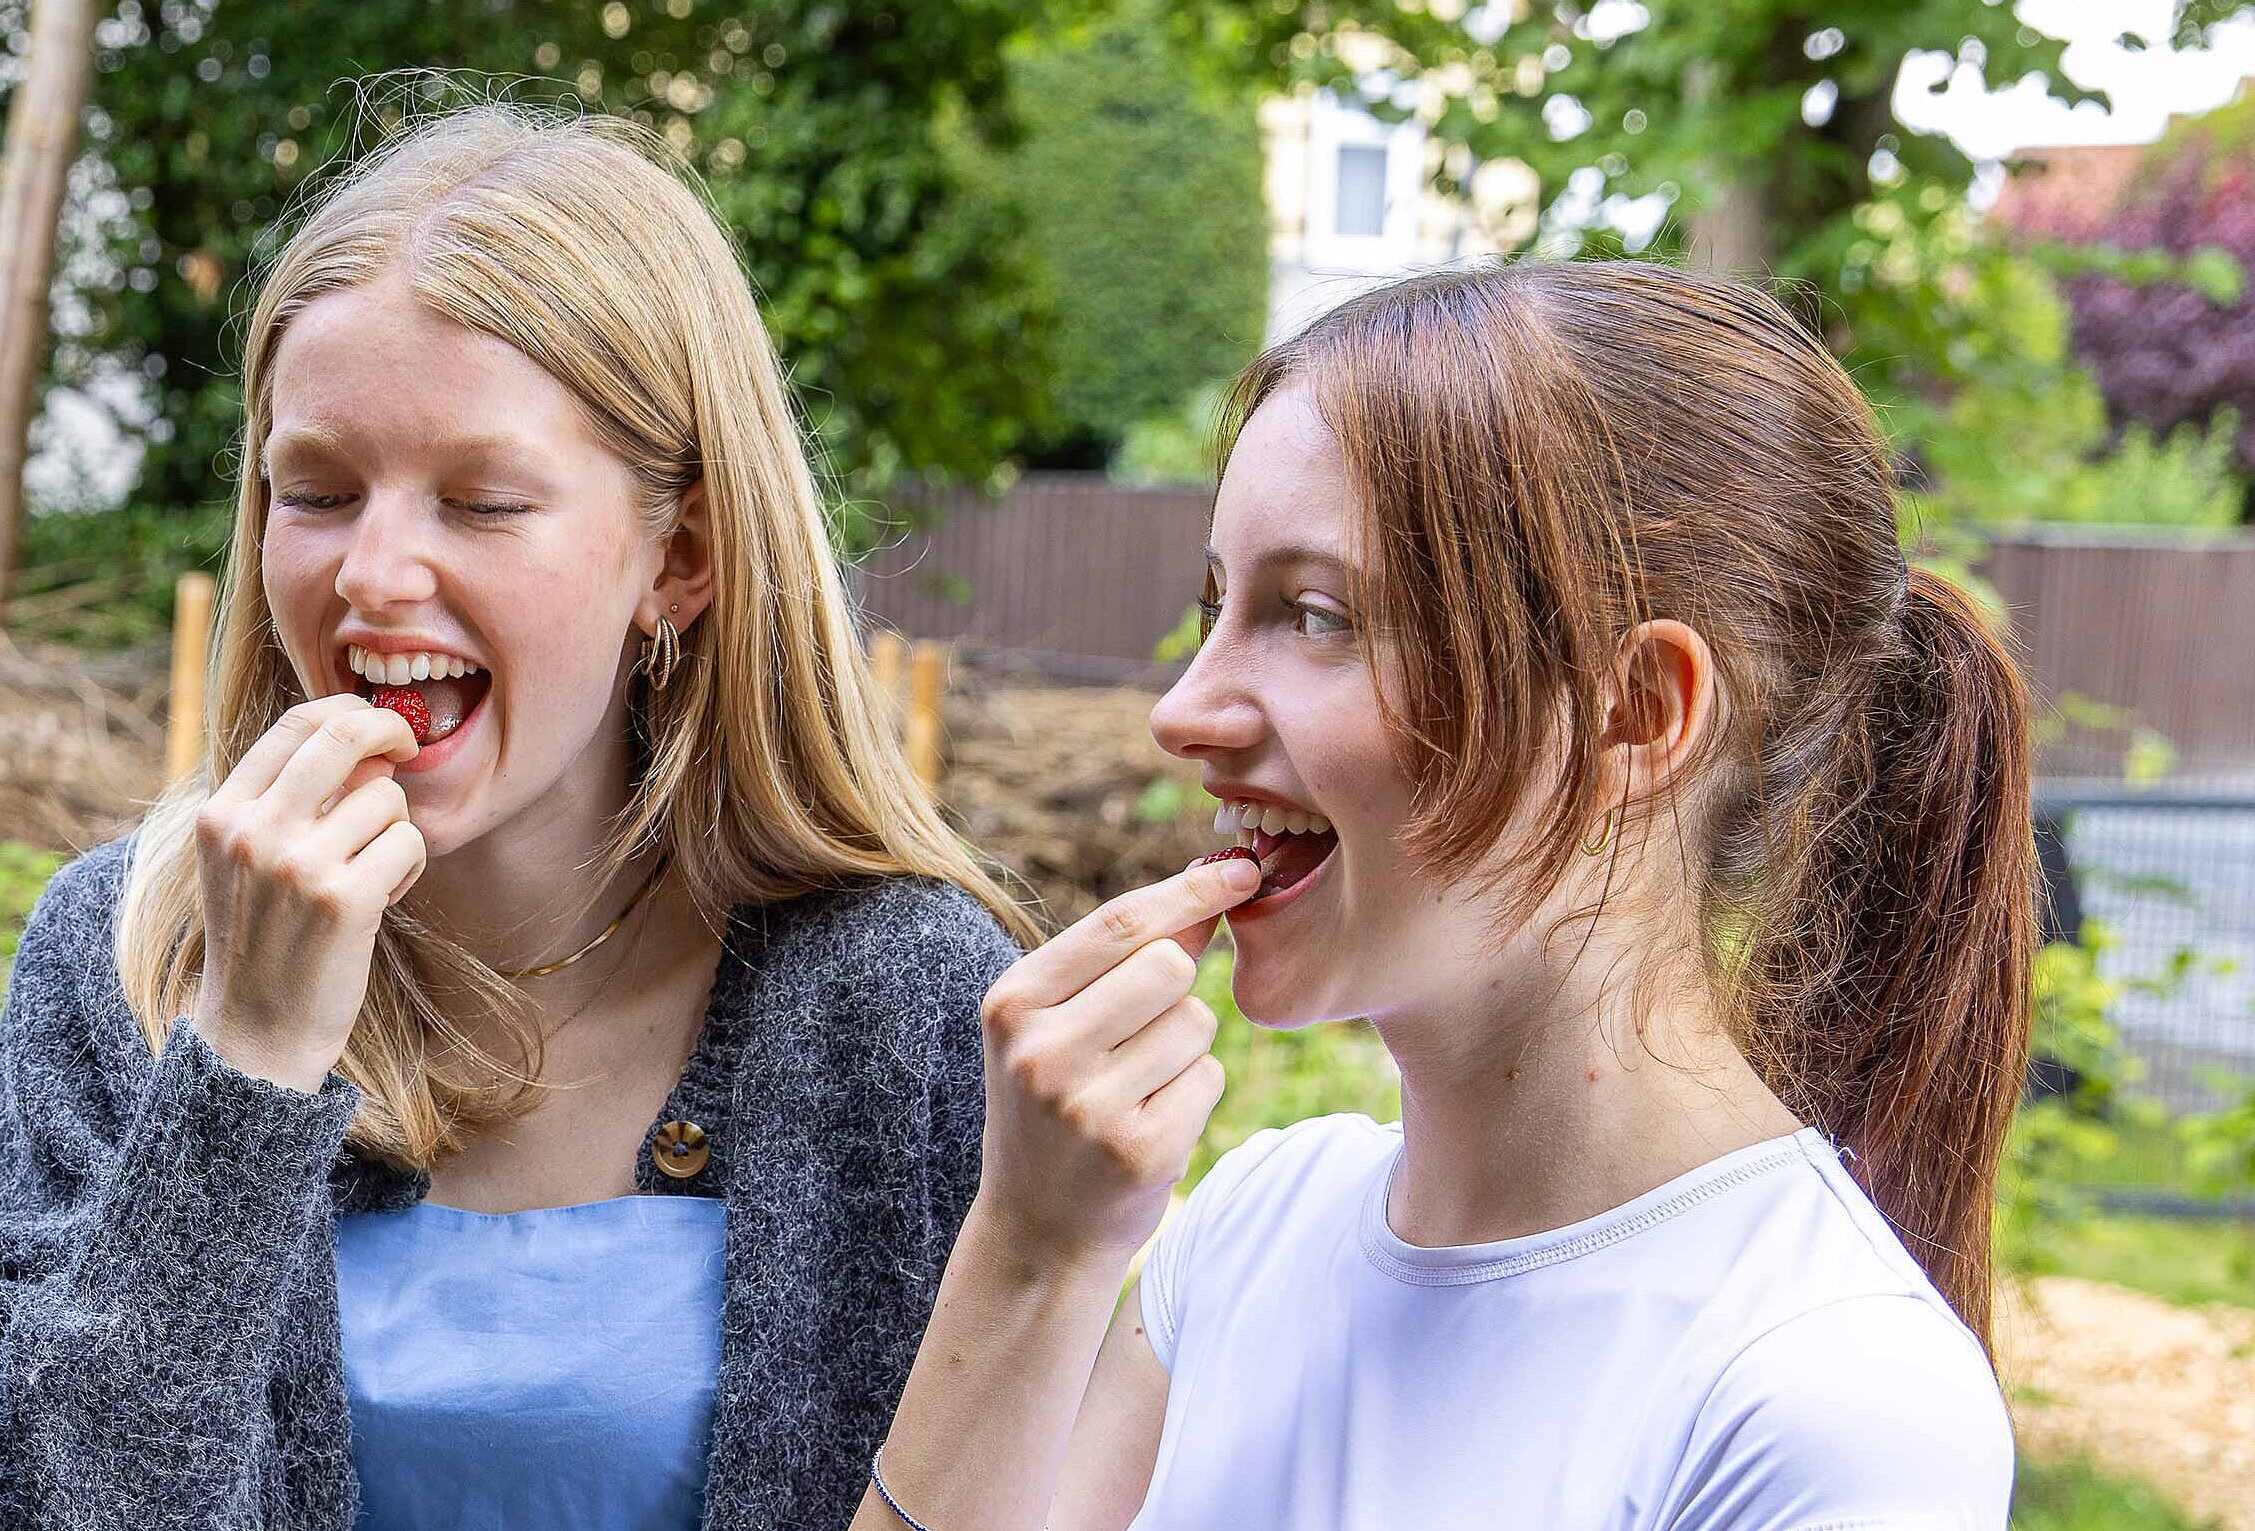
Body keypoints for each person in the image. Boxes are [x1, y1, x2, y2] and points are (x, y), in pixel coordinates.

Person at [0, 104, 1042, 1531]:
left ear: (677, 557)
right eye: (315, 490)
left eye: (483, 500)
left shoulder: (907, 998)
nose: (373, 574)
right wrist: (247, 1060)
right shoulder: (124, 955)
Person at [855, 261, 2025, 1531]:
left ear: (1635, 716)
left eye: (1312, 615)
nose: (1180, 711)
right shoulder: (1251, 1231)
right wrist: (1028, 1255)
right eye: (1214, 604)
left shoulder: (1825, 1401)